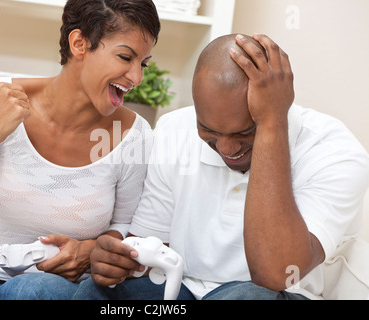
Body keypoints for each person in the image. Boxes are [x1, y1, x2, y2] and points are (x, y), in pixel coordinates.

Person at [72, 34, 369, 300]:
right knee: (95, 292)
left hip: (273, 294)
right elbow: (152, 245)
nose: (227, 149)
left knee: (248, 297)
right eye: (209, 130)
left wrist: (271, 127)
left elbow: (276, 274)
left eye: (245, 132)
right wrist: (120, 260)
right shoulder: (175, 128)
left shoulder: (336, 152)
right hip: (181, 287)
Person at [0, 0, 160, 300]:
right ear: (79, 43)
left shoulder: (134, 134)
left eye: (144, 63)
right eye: (126, 57)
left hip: (70, 284)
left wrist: (90, 251)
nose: (137, 78)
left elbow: (125, 225)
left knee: (29, 289)